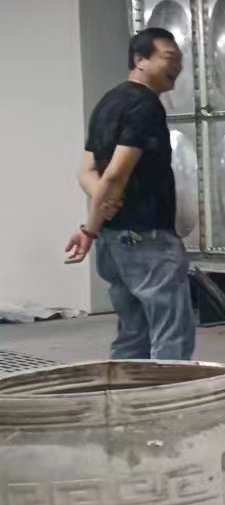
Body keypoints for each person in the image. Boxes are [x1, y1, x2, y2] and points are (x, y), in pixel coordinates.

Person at [64, 27, 195, 361]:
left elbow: (86, 171)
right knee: (170, 336)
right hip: (147, 238)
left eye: (179, 59)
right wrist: (92, 223)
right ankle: (167, 393)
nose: (177, 66)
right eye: (169, 57)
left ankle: (123, 391)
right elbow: (115, 174)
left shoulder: (108, 102)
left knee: (132, 334)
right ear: (140, 60)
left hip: (113, 241)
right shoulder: (145, 105)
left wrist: (99, 216)